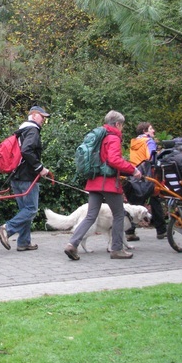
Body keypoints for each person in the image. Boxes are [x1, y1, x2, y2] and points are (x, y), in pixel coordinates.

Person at [63, 110, 142, 261]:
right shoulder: (113, 138)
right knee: (119, 214)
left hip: (94, 181)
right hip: (109, 183)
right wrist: (133, 170)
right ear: (118, 124)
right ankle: (117, 249)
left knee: (91, 215)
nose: (122, 128)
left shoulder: (100, 136)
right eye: (122, 125)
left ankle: (72, 244)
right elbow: (114, 160)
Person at [0, 106, 50, 252]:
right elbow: (27, 150)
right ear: (34, 115)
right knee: (31, 210)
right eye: (42, 116)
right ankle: (6, 229)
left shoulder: (21, 131)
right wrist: (40, 168)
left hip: (16, 176)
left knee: (24, 210)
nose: (44, 120)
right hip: (27, 177)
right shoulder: (32, 130)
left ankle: (24, 242)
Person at [124, 122, 167, 240]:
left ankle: (129, 232)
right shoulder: (148, 141)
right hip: (148, 175)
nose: (153, 131)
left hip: (135, 175)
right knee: (155, 199)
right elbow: (151, 158)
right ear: (145, 131)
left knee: (136, 202)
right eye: (151, 129)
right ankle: (161, 230)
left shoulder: (134, 143)